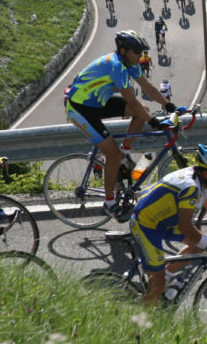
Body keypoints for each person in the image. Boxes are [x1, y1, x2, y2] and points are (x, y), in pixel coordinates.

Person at [63, 31, 176, 220]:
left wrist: (167, 104)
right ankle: (109, 202)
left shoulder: (128, 63)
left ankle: (125, 154)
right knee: (112, 153)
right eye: (137, 51)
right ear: (123, 51)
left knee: (142, 110)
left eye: (142, 51)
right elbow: (132, 101)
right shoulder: (116, 66)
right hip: (79, 108)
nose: (140, 55)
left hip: (97, 102)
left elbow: (148, 87)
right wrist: (153, 121)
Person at [128, 145, 207, 304]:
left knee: (198, 245)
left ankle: (165, 276)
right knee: (157, 285)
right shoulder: (191, 187)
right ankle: (143, 324)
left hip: (164, 220)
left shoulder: (200, 178)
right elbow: (186, 227)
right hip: (146, 225)